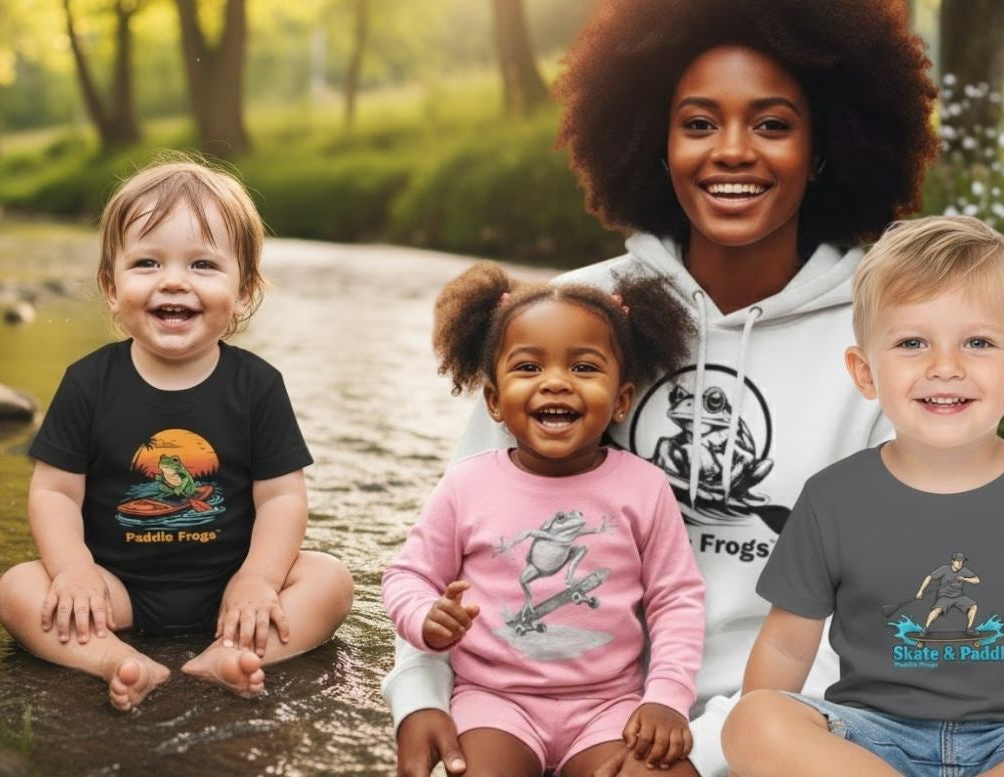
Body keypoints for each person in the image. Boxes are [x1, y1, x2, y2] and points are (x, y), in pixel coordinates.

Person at [384, 1, 939, 775]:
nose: (733, 152)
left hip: (766, 729)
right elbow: (454, 542)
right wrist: (420, 695)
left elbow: (879, 616)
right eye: (699, 123)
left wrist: (709, 748)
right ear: (656, 141)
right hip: (540, 705)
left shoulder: (889, 345)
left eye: (773, 124)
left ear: (823, 148)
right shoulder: (576, 318)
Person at [0, 160, 353, 710]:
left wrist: (257, 579)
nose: (174, 280)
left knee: (330, 581)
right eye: (147, 262)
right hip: (117, 590)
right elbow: (55, 492)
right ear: (112, 288)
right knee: (19, 589)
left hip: (230, 586)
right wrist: (74, 571)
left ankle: (233, 653)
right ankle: (113, 659)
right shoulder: (88, 383)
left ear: (245, 291)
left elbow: (281, 497)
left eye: (203, 264)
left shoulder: (257, 386)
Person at [723, 216, 1004, 776]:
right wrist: (767, 739)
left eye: (978, 342)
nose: (945, 367)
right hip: (873, 743)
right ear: (864, 373)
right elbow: (787, 649)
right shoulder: (833, 498)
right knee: (752, 721)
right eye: (912, 342)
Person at [384, 263, 705, 777]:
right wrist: (424, 617)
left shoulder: (644, 488)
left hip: (610, 707)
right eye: (529, 368)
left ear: (622, 400)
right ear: (493, 399)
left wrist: (667, 696)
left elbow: (676, 599)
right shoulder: (467, 485)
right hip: (493, 703)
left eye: (584, 368)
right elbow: (409, 575)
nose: (556, 383)